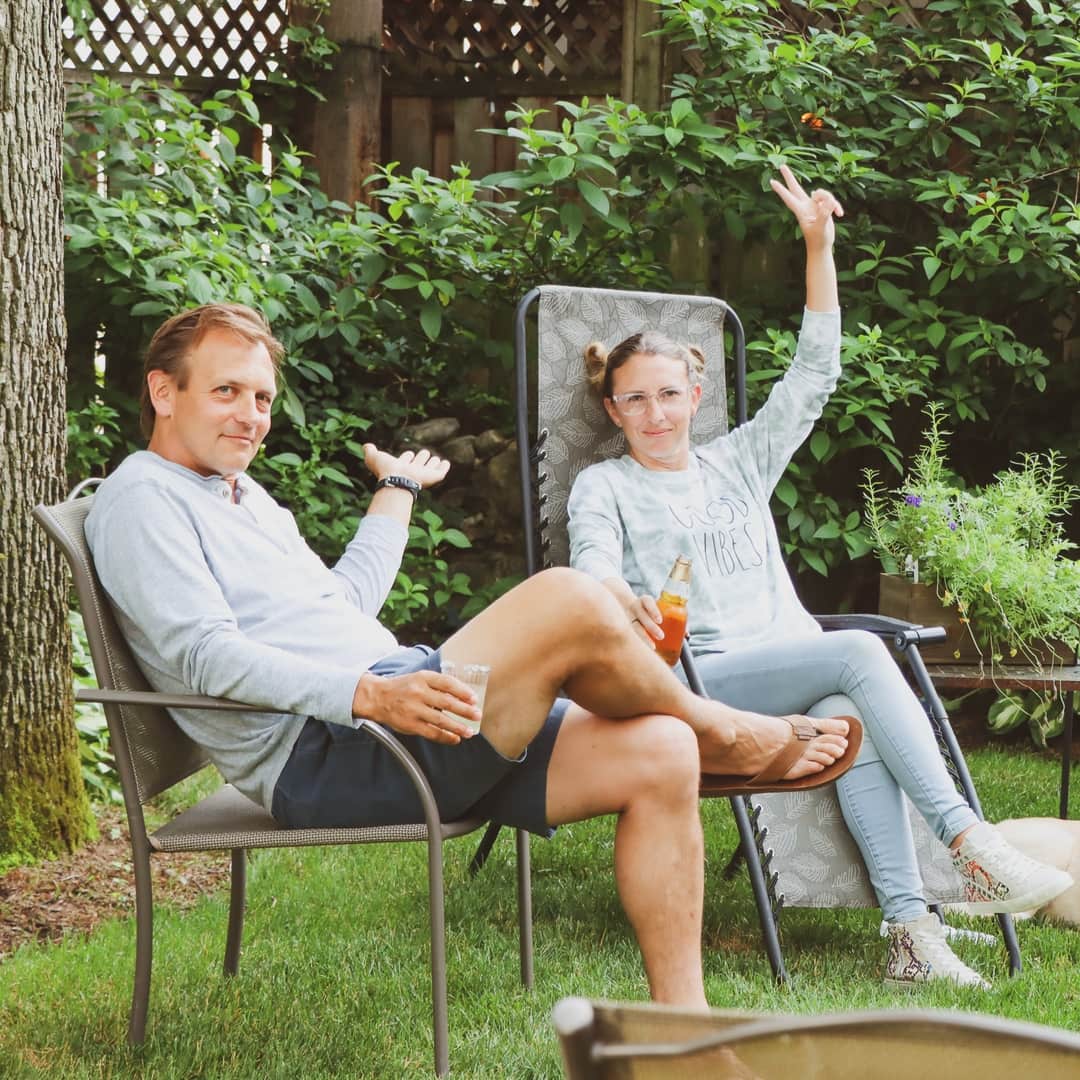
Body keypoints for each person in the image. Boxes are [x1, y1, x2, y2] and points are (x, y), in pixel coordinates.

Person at [84, 301, 860, 1011]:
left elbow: (340, 607)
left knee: (661, 752)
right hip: (331, 753)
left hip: (392, 709)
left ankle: (682, 1033)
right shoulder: (144, 501)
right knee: (569, 597)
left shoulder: (239, 495)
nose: (250, 417)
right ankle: (727, 731)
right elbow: (205, 657)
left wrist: (395, 493)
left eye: (260, 398)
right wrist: (366, 695)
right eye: (227, 392)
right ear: (163, 392)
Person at [567, 164, 1074, 989]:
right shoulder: (605, 487)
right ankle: (970, 844)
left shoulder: (738, 462)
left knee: (849, 710)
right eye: (634, 401)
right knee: (857, 660)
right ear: (613, 410)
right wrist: (617, 595)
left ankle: (911, 930)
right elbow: (588, 571)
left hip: (790, 667)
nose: (655, 413)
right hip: (702, 677)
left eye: (668, 394)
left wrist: (818, 245)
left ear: (696, 393)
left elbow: (813, 376)